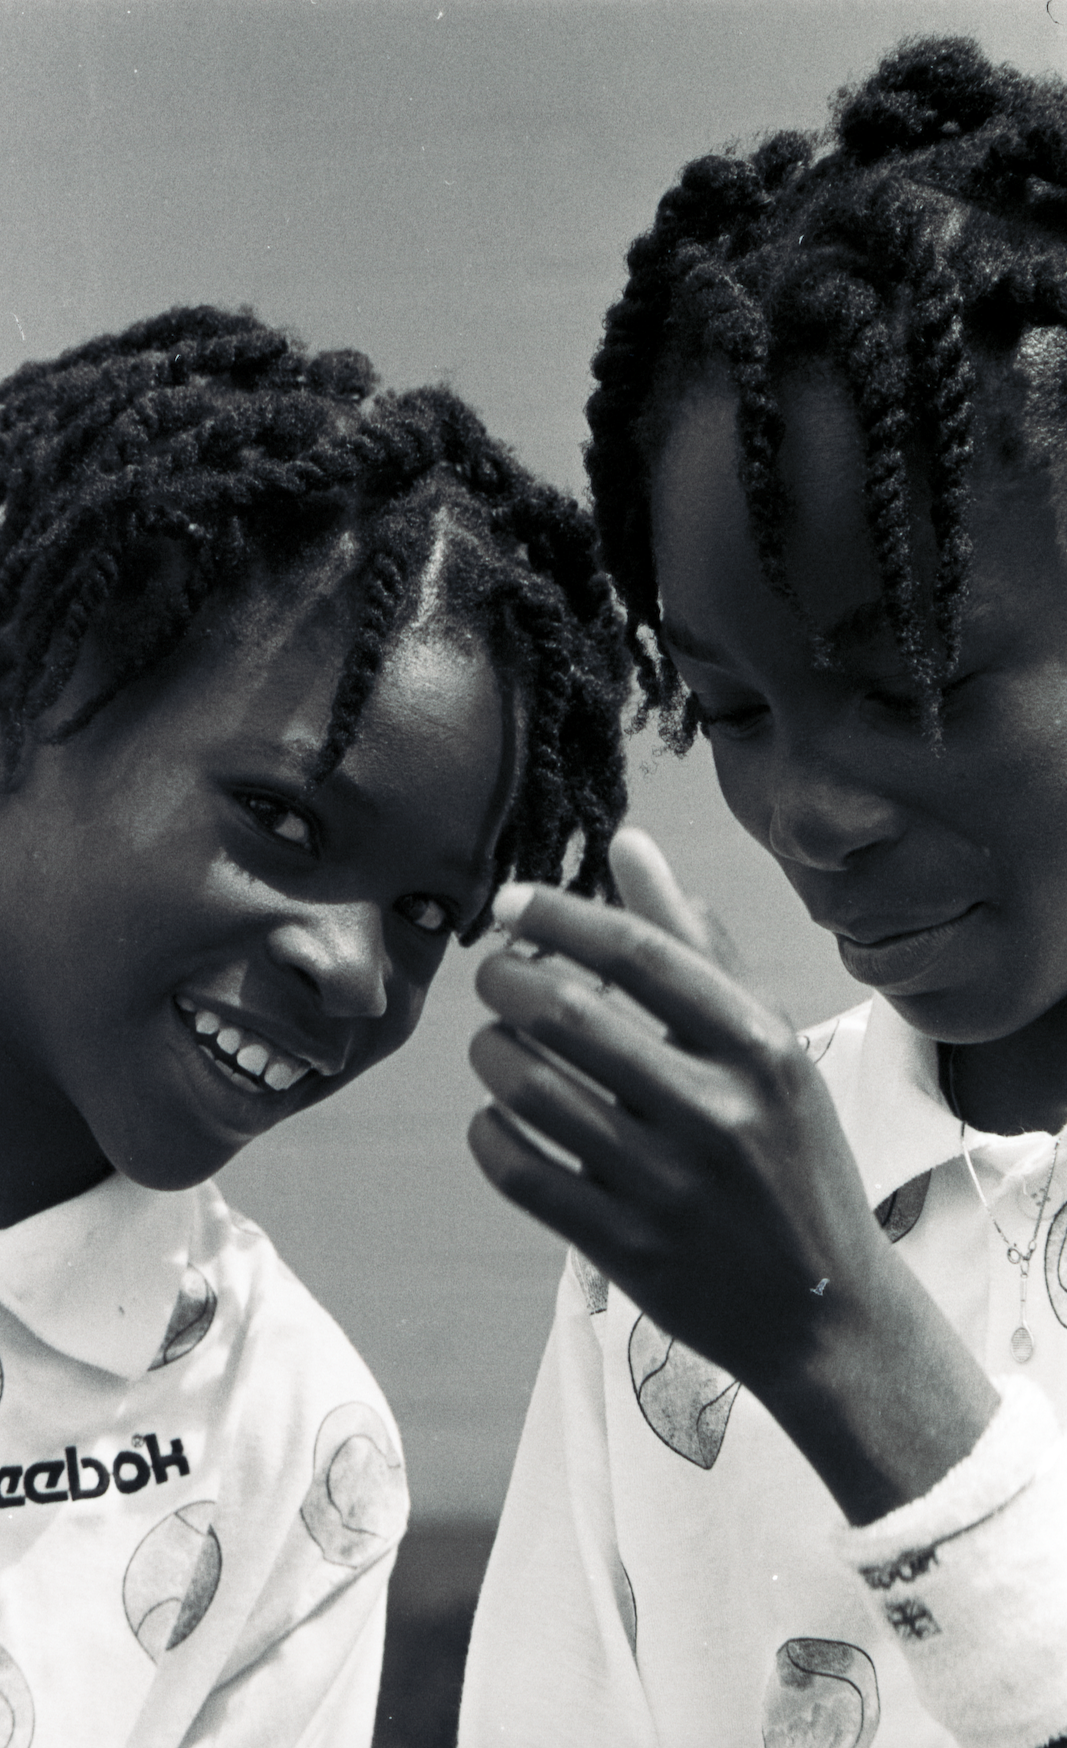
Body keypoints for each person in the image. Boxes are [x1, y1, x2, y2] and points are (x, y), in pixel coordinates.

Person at [0, 305, 631, 1747]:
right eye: (285, 821)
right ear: (11, 703)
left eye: (429, 913)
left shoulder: (288, 1445)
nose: (359, 974)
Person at [461, 38, 1067, 1748]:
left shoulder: (764, 1241)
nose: (806, 814)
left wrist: (843, 1332)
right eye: (731, 707)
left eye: (905, 686)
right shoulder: (681, 1234)